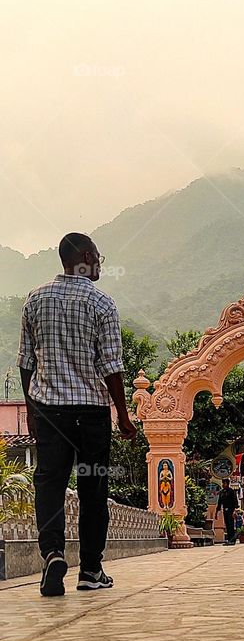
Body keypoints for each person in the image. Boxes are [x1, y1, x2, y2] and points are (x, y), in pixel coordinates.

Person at [18, 232, 136, 597]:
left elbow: (26, 363)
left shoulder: (35, 299)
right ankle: (90, 569)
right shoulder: (101, 302)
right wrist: (123, 414)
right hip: (91, 413)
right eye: (98, 255)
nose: (100, 261)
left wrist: (33, 411)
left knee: (50, 485)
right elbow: (111, 367)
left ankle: (52, 553)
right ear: (86, 256)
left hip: (51, 412)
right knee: (93, 489)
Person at [215, 477, 238, 545]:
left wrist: (235, 510)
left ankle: (232, 540)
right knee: (227, 525)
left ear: (227, 483)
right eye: (223, 483)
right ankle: (229, 540)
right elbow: (219, 502)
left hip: (231, 509)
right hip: (225, 509)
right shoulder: (222, 492)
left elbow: (235, 501)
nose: (223, 484)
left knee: (231, 525)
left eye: (224, 483)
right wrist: (217, 511)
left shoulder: (231, 491)